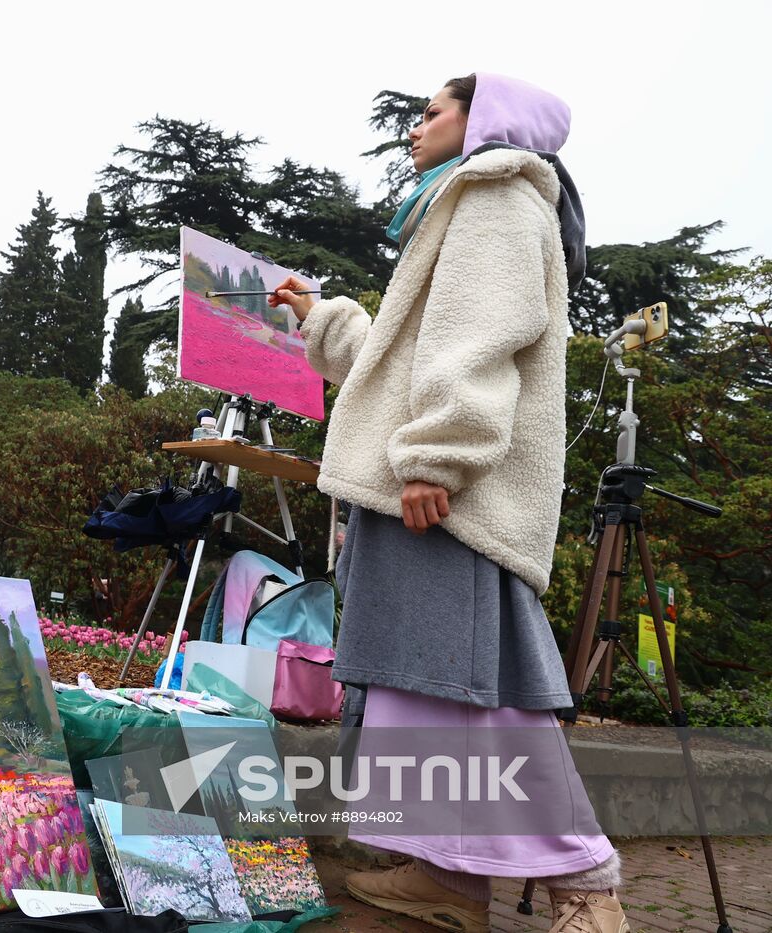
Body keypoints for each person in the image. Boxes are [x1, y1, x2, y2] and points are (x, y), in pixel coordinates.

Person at [269, 74, 627, 933]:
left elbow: (478, 339)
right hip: (426, 493)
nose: (414, 128)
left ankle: (585, 890)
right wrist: (320, 317)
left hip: (445, 496)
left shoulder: (494, 193)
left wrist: (440, 456)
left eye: (432, 112)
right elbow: (408, 359)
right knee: (420, 691)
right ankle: (447, 879)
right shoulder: (464, 203)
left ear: (484, 122)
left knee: (479, 693)